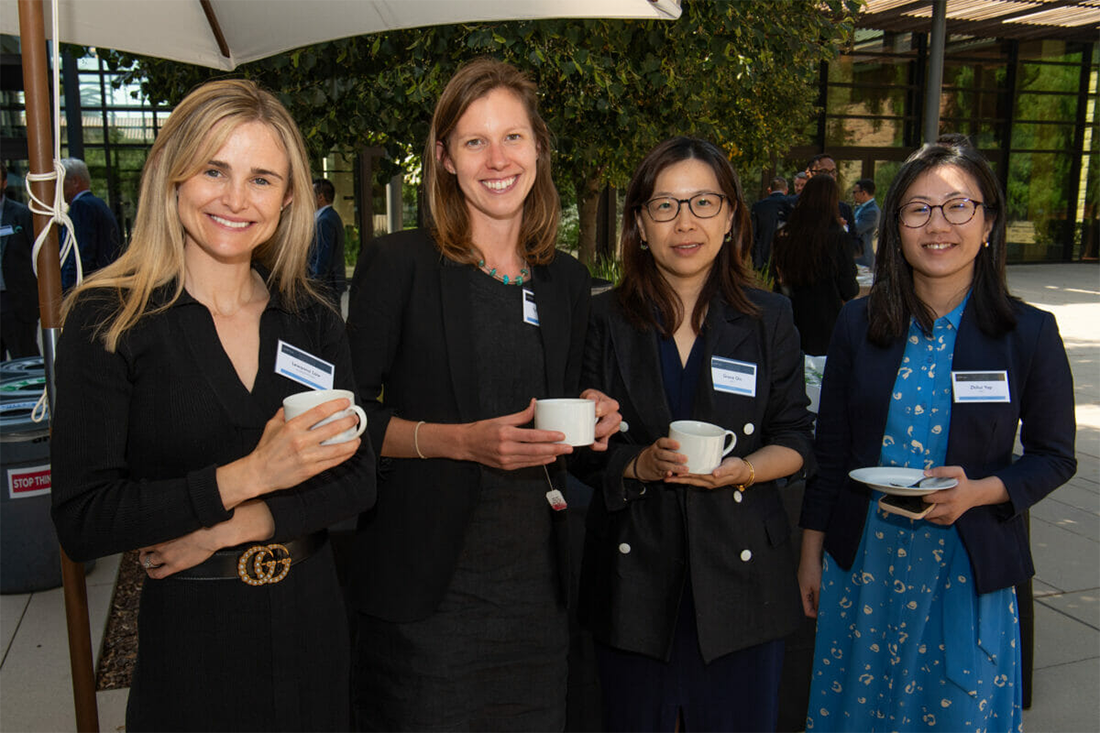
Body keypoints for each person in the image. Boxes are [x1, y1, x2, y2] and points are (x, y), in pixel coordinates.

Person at [50, 79, 377, 732]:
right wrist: (249, 474)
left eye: (261, 178)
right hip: (194, 645)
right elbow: (84, 517)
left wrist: (237, 523)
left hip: (313, 631)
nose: (235, 198)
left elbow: (358, 476)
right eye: (214, 170)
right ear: (172, 177)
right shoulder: (110, 318)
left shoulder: (310, 318)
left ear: (288, 198)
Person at [345, 58, 619, 732]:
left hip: (536, 594)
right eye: (474, 141)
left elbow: (571, 451)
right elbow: (347, 419)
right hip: (428, 596)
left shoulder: (567, 281)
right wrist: (459, 441)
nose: (497, 159)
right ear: (443, 158)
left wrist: (597, 422)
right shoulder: (399, 264)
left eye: (513, 137)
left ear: (538, 148)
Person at [798, 136, 1076, 730]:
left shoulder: (1027, 333)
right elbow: (833, 449)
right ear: (896, 225)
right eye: (918, 208)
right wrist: (810, 552)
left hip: (966, 565)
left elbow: (1054, 457)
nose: (937, 225)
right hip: (865, 562)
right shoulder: (859, 322)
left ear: (989, 221)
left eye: (958, 206)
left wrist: (982, 491)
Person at [577, 137, 815, 733]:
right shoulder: (604, 320)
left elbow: (796, 437)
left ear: (732, 215)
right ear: (639, 223)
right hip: (634, 585)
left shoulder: (769, 319)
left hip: (743, 584)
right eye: (665, 206)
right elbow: (581, 450)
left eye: (703, 203)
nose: (685, 223)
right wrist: (638, 465)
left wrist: (747, 469)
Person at [771, 175, 858, 356]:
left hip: (789, 320)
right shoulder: (838, 238)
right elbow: (849, 288)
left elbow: (776, 278)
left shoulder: (784, 236)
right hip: (826, 324)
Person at [59, 157, 122, 290]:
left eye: (60, 182)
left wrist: (67, 289)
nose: (57, 189)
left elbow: (81, 253)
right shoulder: (98, 204)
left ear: (75, 181)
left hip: (89, 287)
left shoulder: (82, 206)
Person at [0, 161, 38, 359]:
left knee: (25, 361)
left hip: (17, 304)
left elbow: (39, 256)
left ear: (4, 182)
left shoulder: (22, 215)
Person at [309, 177, 346, 306]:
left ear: (320, 197)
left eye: (311, 194)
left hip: (327, 285)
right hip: (332, 284)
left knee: (330, 322)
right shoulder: (331, 216)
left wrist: (315, 284)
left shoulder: (324, 220)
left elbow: (323, 256)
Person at [750, 175, 790, 270]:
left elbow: (753, 235)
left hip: (763, 257)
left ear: (769, 190)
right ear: (786, 190)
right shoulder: (790, 205)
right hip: (786, 258)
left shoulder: (758, 207)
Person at [851, 177, 880, 270]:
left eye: (855, 192)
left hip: (863, 257)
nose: (853, 195)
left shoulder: (872, 211)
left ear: (863, 193)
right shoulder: (859, 208)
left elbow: (856, 229)